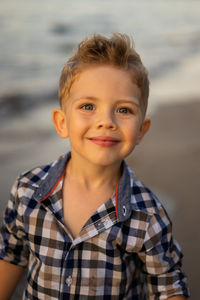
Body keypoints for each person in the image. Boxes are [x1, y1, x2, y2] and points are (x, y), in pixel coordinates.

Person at [0, 33, 189, 299]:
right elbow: (10, 256)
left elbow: (169, 287)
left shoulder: (147, 215)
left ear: (141, 130)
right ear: (61, 122)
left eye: (123, 110)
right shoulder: (27, 190)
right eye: (88, 106)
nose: (106, 121)